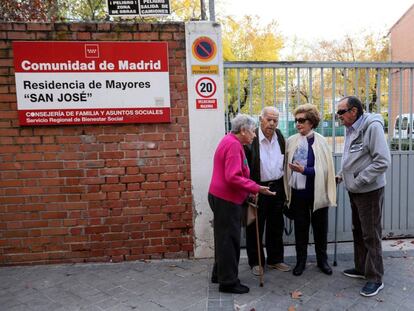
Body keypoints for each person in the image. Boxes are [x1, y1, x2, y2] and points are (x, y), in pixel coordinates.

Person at [208, 114, 276, 294]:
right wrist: (256, 188)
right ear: (243, 130)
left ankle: (219, 274)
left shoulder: (231, 141)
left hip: (222, 196)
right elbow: (232, 176)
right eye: (253, 131)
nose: (254, 135)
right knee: (229, 241)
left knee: (223, 239)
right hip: (226, 199)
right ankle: (228, 282)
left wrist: (248, 191)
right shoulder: (232, 144)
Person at [336, 96, 391, 297]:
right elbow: (354, 158)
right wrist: (342, 175)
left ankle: (375, 278)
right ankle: (361, 268)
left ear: (354, 111)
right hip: (355, 190)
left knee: (371, 234)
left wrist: (358, 180)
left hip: (368, 191)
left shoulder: (372, 127)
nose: (338, 116)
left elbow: (383, 161)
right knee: (358, 231)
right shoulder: (350, 128)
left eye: (341, 112)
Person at [284, 103, 336, 277]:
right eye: (296, 120)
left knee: (320, 229)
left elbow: (326, 170)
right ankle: (301, 261)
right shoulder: (291, 141)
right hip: (298, 194)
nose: (298, 124)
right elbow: (285, 168)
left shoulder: (321, 142)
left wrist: (305, 170)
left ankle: (323, 261)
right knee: (301, 229)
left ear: (311, 122)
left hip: (317, 192)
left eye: (302, 120)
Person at [244, 106, 290, 276]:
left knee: (276, 225)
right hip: (257, 188)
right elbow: (245, 166)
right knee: (255, 226)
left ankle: (275, 259)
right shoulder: (252, 138)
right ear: (260, 118)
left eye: (275, 120)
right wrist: (250, 189)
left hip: (276, 187)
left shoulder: (280, 137)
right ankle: (256, 262)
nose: (272, 123)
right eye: (268, 119)